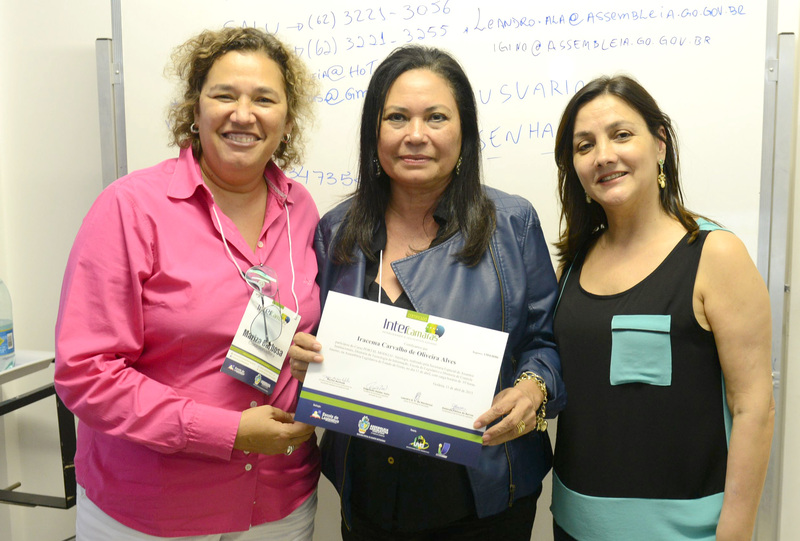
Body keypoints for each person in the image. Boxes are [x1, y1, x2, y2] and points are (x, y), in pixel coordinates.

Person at [288, 45, 565, 540]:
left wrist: (532, 389)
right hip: (368, 502)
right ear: (374, 132)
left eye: (436, 117)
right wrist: (306, 360)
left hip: (484, 504)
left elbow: (546, 343)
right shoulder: (336, 232)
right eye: (397, 117)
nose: (415, 135)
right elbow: (313, 341)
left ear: (464, 132)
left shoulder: (511, 224)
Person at [55, 27, 322, 540]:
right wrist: (228, 431)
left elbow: (306, 326)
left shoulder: (301, 209)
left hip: (278, 500)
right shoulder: (130, 208)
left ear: (287, 121)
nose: (243, 114)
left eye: (264, 99)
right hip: (154, 509)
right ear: (195, 110)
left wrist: (312, 358)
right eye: (224, 95)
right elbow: (85, 373)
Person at [550, 75, 774, 541]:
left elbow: (753, 408)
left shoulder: (714, 254)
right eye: (585, 145)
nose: (603, 155)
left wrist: (736, 533)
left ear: (660, 144)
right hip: (572, 525)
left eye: (621, 135)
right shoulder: (572, 264)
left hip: (687, 532)